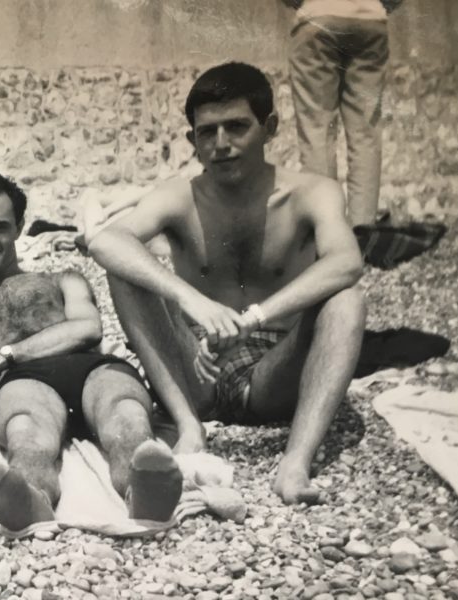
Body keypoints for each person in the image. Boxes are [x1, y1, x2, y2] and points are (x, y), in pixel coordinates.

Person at [87, 62, 366, 505]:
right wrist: (192, 300)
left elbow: (347, 262)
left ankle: (295, 462)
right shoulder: (180, 195)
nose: (221, 145)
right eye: (207, 132)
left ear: (269, 127)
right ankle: (189, 428)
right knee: (123, 272)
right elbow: (104, 241)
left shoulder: (312, 193)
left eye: (237, 127)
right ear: (191, 140)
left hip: (276, 370)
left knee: (347, 300)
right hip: (197, 369)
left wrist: (256, 317)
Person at [0, 168, 183, 531]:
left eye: (0, 227)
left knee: (126, 415)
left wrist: (5, 355)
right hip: (23, 384)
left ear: (19, 226)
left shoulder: (62, 279)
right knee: (28, 433)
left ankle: (143, 493)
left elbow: (88, 328)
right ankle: (32, 499)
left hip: (92, 368)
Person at [282, 0, 404, 226]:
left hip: (317, 18)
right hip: (370, 22)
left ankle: (325, 229)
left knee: (316, 129)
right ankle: (362, 230)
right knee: (366, 132)